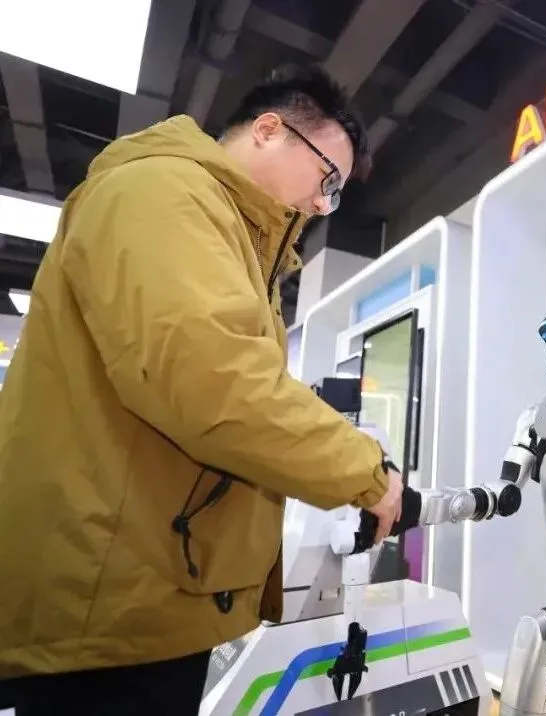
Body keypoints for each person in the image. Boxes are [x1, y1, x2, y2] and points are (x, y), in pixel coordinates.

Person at [0, 64, 403, 715]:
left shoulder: (227, 235)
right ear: (269, 130)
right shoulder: (161, 193)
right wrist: (366, 471)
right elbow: (216, 384)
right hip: (107, 604)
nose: (322, 204)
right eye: (327, 179)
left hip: (142, 591)